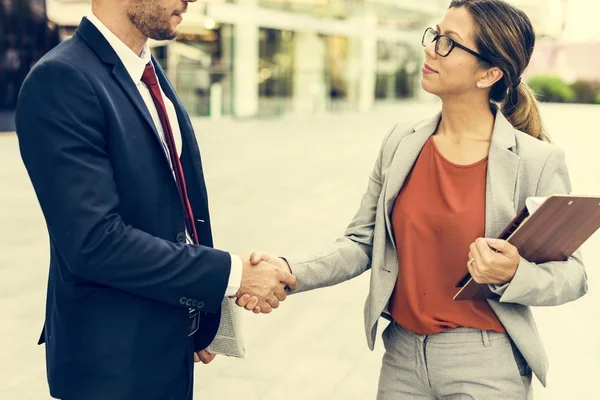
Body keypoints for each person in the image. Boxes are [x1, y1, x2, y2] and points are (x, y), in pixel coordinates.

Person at [245, 0, 588, 398]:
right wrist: (289, 270)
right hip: (402, 358)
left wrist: (513, 273)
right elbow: (362, 242)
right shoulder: (402, 142)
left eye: (449, 43)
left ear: (489, 73)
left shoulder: (536, 161)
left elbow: (572, 277)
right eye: (435, 35)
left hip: (485, 363)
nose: (430, 48)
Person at [15, 1, 296, 399]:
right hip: (109, 365)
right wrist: (233, 276)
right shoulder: (61, 79)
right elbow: (94, 243)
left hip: (168, 342)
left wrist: (200, 313)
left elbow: (177, 205)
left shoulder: (147, 71)